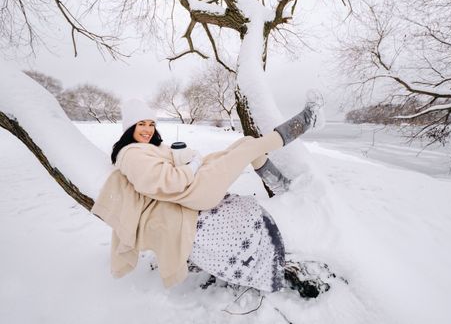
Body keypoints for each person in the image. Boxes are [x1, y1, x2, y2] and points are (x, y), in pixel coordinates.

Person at [92, 97, 322, 293]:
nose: (148, 129)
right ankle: (306, 122)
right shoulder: (131, 155)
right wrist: (192, 166)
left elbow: (175, 160)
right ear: (129, 128)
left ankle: (280, 184)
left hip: (195, 182)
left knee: (247, 142)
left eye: (151, 123)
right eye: (140, 124)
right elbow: (169, 181)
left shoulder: (149, 148)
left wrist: (190, 159)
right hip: (196, 191)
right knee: (251, 148)